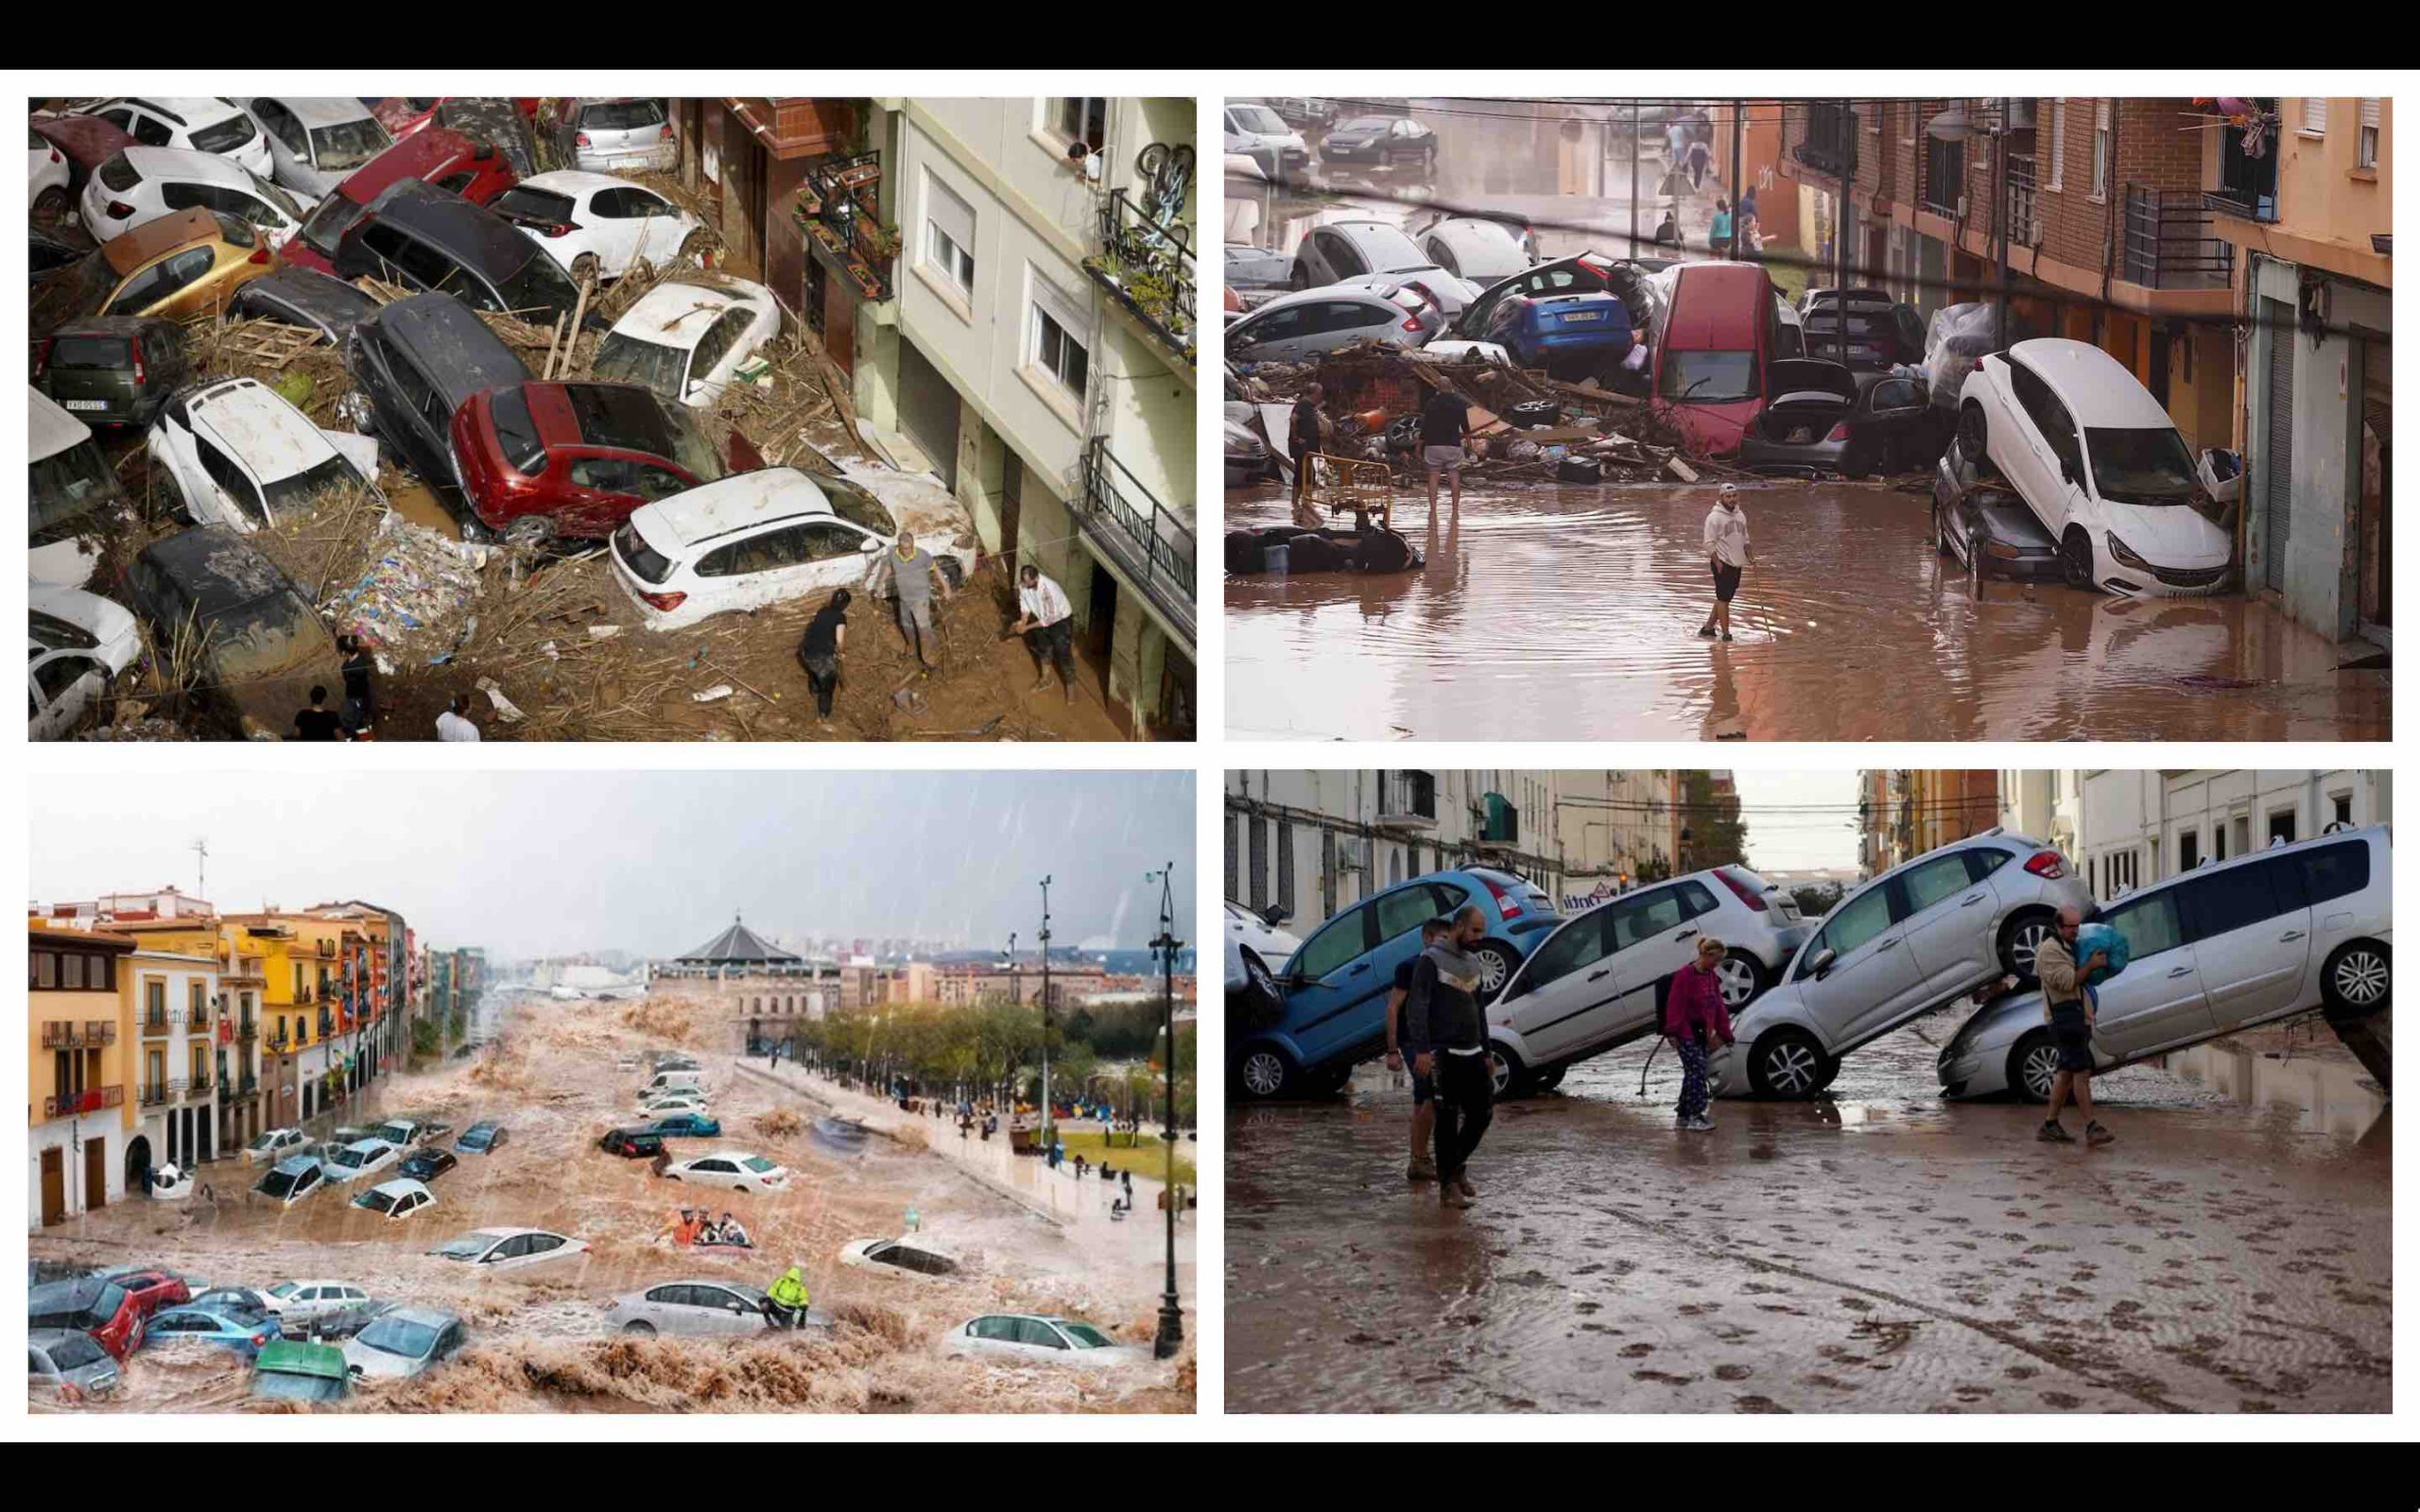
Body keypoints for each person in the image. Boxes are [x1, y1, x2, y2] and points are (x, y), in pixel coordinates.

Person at [1403, 906, 1493, 1211]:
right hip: (1442, 1053)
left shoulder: (1473, 962)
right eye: (1475, 931)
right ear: (1458, 927)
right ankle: (1447, 1187)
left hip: (1473, 1052)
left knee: (1482, 1113)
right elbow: (1417, 1007)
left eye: (1482, 931)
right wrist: (1423, 1050)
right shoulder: (1430, 960)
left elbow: (1479, 1009)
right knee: (1447, 1118)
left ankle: (1455, 1167)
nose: (1479, 938)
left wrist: (1487, 1052)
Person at [2035, 907, 2114, 1146]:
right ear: (2059, 926)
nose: (2075, 931)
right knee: (2081, 1072)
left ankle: (2050, 1124)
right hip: (2064, 1021)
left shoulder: (2068, 946)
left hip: (2076, 1017)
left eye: (2077, 926)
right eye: (2071, 926)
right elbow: (2068, 981)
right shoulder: (2049, 951)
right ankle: (2092, 1127)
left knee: (2066, 1073)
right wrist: (2090, 965)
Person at [1384, 916, 1454, 1182]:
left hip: (1435, 1041)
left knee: (1423, 1100)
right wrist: (1392, 1050)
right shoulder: (1409, 967)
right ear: (1427, 938)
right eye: (1442, 939)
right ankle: (1419, 1160)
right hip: (1413, 1042)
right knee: (1430, 1097)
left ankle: (1419, 1158)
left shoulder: (1446, 967)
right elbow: (1393, 1008)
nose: (1447, 945)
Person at [1665, 936, 1738, 1131]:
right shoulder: (1685, 975)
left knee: (1692, 1073)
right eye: (1715, 960)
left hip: (1701, 1033)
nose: (1717, 964)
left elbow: (1719, 1007)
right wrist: (1672, 1032)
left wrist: (1725, 1034)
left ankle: (1683, 1115)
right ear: (1706, 955)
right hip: (1684, 1032)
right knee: (1697, 1071)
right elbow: (1675, 1004)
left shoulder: (1711, 977)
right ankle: (1696, 1115)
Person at [867, 530, 952, 675]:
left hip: (920, 598)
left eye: (909, 547)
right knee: (906, 625)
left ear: (913, 545)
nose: (906, 551)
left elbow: (936, 569)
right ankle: (911, 648)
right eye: (903, 548)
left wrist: (947, 588)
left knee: (923, 628)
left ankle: (930, 659)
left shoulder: (922, 555)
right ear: (899, 546)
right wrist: (879, 584)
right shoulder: (893, 555)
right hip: (904, 598)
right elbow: (888, 568)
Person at [1009, 565, 1077, 702]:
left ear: (1036, 578)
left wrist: (1026, 627)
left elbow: (1049, 619)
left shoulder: (1048, 590)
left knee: (1063, 653)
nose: (1025, 585)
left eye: (1028, 582)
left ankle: (1071, 688)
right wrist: (1023, 620)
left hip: (1060, 621)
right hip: (1040, 618)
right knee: (1044, 648)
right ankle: (1045, 680)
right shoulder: (1024, 585)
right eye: (1024, 581)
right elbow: (1025, 602)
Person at [1701, 483, 1750, 641]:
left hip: (1737, 562)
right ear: (1721, 498)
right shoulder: (1714, 517)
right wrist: (1718, 562)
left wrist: (1751, 557)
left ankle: (1708, 629)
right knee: (1723, 599)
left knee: (1725, 597)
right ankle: (1726, 634)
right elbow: (1708, 543)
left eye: (1734, 496)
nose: (1732, 499)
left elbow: (1746, 539)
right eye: (1728, 496)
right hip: (1722, 562)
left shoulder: (1740, 515)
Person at [797, 588, 850, 727]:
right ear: (845, 605)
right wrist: (841, 653)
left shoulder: (822, 611)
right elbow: (839, 640)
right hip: (821, 657)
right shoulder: (841, 617)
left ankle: (814, 690)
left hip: (806, 652)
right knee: (827, 688)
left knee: (814, 670)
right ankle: (823, 716)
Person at [1419, 385, 1469, 515]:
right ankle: (1455, 509)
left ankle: (1433, 509)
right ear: (1451, 388)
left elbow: (1425, 426)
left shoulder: (1431, 403)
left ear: (1438, 389)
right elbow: (1465, 426)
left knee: (1434, 475)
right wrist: (1469, 444)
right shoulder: (1459, 403)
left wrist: (1418, 445)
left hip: (1433, 445)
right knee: (1454, 475)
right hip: (1453, 445)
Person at [1288, 382, 1327, 507]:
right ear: (1315, 393)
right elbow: (1293, 419)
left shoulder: (1310, 406)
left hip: (1307, 447)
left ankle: (1298, 502)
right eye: (1320, 393)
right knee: (1307, 474)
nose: (1321, 396)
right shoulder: (1304, 404)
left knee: (1302, 474)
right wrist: (1296, 438)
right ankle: (1306, 502)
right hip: (1301, 447)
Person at [337, 635, 376, 738]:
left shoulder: (348, 667)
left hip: (356, 698)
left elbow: (349, 682)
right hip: (357, 697)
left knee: (358, 724)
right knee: (357, 723)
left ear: (344, 652)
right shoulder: (361, 659)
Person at [766, 1263, 810, 1328]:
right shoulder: (781, 1281)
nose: (791, 1279)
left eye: (793, 1279)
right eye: (790, 1278)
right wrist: (769, 1296)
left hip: (789, 1309)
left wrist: (804, 1304)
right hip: (777, 1305)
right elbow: (773, 1290)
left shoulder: (800, 1287)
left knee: (786, 1330)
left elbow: (803, 1298)